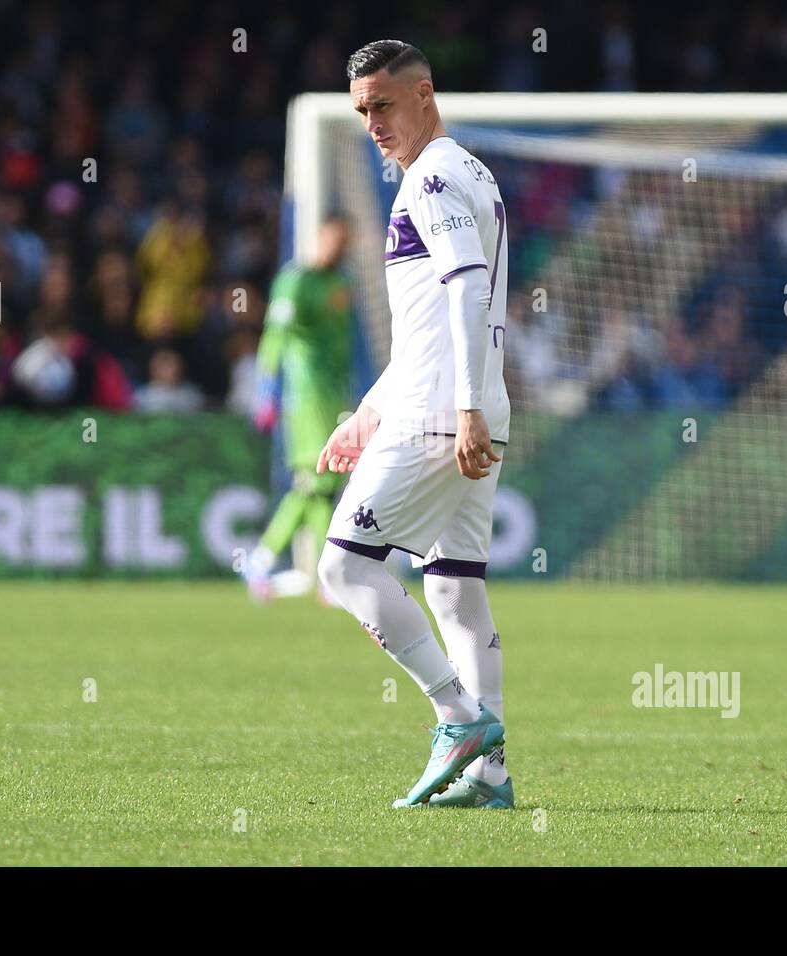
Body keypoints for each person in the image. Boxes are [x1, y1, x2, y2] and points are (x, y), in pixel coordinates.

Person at [314, 40, 513, 809]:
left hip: (444, 413)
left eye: (384, 105)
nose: (372, 123)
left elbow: (465, 293)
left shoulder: (427, 180)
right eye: (362, 110)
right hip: (471, 402)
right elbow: (435, 320)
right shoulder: (471, 171)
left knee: (343, 569)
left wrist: (459, 410)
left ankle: (458, 718)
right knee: (456, 588)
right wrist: (368, 412)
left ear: (424, 94)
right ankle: (488, 777)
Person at [242, 218, 354, 600]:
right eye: (334, 240)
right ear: (319, 237)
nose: (339, 249)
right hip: (304, 393)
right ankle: (279, 561)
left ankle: (309, 573)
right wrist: (266, 385)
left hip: (332, 393)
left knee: (322, 485)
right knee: (318, 479)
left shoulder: (341, 283)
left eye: (345, 242)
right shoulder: (296, 280)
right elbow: (276, 334)